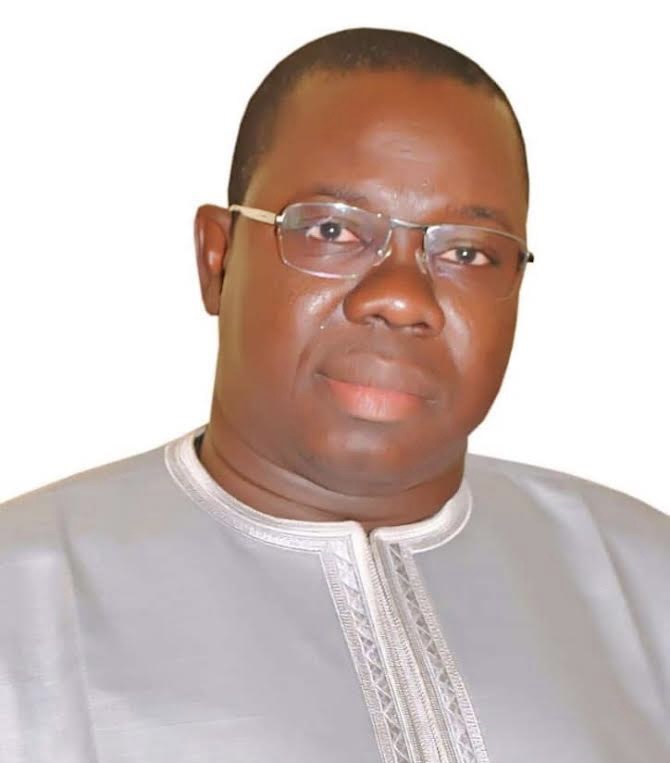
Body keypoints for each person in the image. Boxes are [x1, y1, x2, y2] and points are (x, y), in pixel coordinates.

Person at [0, 26, 668, 763]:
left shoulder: (642, 576)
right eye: (331, 230)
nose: (402, 298)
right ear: (218, 259)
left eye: (467, 252)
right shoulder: (24, 595)